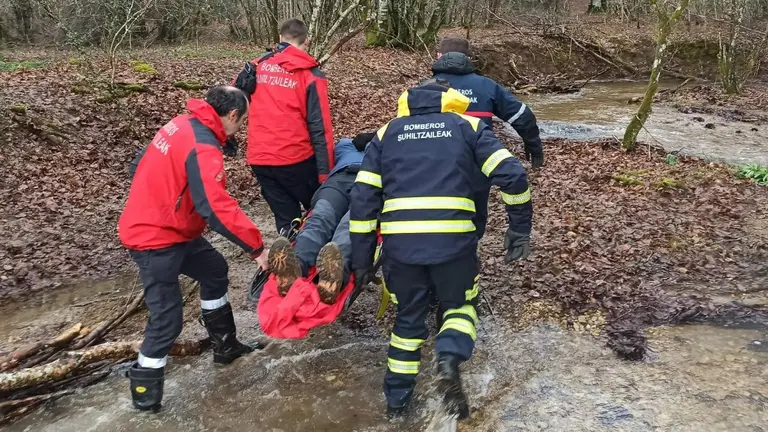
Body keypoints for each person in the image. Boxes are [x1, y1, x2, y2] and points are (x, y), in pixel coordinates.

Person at [350, 79, 533, 420]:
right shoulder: (469, 126)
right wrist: (519, 228)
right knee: (460, 306)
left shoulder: (387, 133)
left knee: (407, 321)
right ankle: (448, 358)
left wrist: (360, 261)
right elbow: (513, 176)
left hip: (400, 248)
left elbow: (362, 199)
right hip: (454, 244)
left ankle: (397, 405)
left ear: (408, 102)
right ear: (451, 100)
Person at [118, 86, 268, 412]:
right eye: (242, 122)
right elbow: (215, 208)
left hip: (175, 231)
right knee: (167, 320)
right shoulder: (202, 146)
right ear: (231, 115)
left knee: (214, 269)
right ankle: (144, 396)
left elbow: (138, 166)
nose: (241, 128)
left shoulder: (180, 124)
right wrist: (257, 249)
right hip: (154, 240)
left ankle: (225, 345)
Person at [432, 36, 543, 240]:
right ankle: (466, 254)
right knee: (474, 219)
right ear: (468, 58)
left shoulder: (421, 89)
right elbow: (522, 116)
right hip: (476, 164)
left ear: (439, 56)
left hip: (430, 165)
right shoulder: (485, 86)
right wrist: (533, 145)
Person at [232, 18, 335, 236]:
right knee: (318, 212)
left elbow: (231, 99)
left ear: (280, 38)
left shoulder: (256, 66)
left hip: (260, 159)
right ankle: (316, 258)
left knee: (287, 220)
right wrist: (326, 173)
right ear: (306, 41)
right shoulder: (310, 75)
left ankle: (288, 256)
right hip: (295, 159)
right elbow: (320, 127)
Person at [267, 131, 375, 304]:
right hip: (339, 181)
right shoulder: (345, 144)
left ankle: (334, 277)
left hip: (371, 185)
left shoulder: (390, 146)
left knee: (351, 225)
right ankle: (295, 266)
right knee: (320, 218)